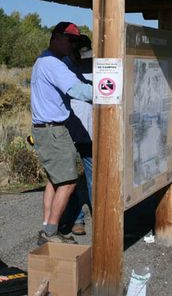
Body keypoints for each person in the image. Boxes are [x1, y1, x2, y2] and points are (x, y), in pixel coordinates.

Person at [31, 21, 92, 245]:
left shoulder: (43, 61)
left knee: (55, 180)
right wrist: (111, 89)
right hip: (54, 131)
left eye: (75, 41)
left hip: (46, 130)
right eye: (70, 40)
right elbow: (78, 90)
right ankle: (51, 233)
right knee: (68, 182)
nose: (72, 45)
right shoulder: (53, 64)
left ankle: (48, 228)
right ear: (56, 37)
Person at [63, 35, 93, 236]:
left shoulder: (99, 65)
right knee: (68, 178)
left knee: (94, 176)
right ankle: (76, 219)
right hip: (67, 130)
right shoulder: (62, 67)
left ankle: (101, 216)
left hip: (91, 130)